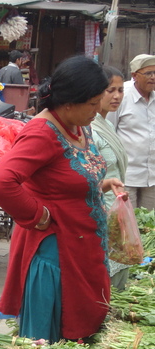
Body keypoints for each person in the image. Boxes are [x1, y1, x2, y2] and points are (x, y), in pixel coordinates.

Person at [0, 55, 125, 343]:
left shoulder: (79, 123)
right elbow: (0, 183)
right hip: (56, 254)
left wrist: (100, 185)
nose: (97, 108)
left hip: (83, 246)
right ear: (69, 102)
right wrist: (40, 216)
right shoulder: (41, 132)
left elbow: (66, 178)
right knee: (51, 342)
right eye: (92, 103)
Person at [91, 66, 130, 290]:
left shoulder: (105, 124)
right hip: (102, 206)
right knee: (106, 268)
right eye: (110, 90)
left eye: (120, 90)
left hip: (115, 204)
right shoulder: (90, 128)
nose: (116, 96)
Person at [108, 54, 155, 210]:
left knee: (149, 224)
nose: (153, 77)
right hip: (127, 176)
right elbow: (109, 132)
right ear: (135, 75)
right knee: (127, 224)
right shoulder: (120, 96)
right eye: (148, 73)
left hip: (152, 175)